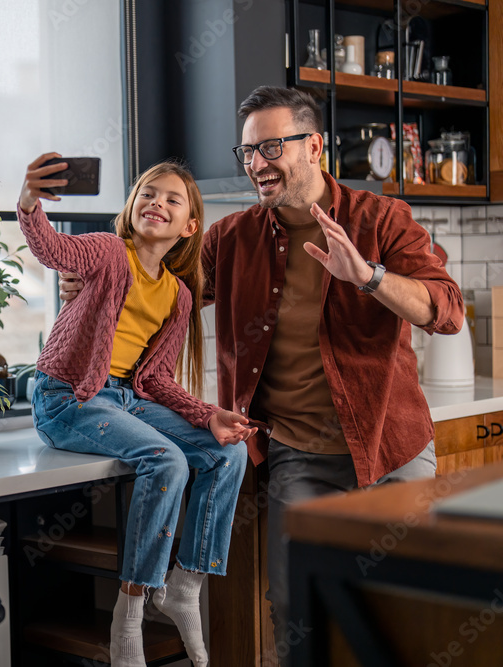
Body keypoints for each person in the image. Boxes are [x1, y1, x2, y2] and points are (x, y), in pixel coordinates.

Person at [59, 86, 465, 663]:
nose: (256, 164)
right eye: (246, 151)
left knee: (409, 608)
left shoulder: (380, 219)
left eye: (271, 146)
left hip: (389, 449)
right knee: (296, 612)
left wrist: (367, 275)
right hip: (299, 456)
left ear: (314, 147)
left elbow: (445, 310)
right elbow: (154, 286)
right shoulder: (231, 239)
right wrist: (94, 280)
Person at [19, 153, 255, 667]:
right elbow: (51, 248)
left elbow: (155, 380)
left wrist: (206, 415)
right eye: (149, 193)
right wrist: (30, 200)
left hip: (127, 398)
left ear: (190, 225)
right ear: (132, 205)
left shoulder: (179, 296)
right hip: (68, 397)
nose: (157, 203)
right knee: (166, 461)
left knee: (228, 455)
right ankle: (129, 614)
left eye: (173, 199)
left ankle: (185, 586)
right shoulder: (107, 252)